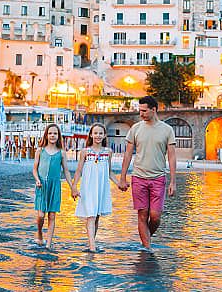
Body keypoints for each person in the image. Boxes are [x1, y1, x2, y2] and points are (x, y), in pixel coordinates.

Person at [118, 95, 177, 251]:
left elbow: (171, 156)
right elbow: (128, 154)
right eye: (140, 111)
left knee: (155, 216)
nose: (141, 114)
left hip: (158, 177)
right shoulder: (135, 129)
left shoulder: (167, 130)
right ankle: (147, 249)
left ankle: (146, 240)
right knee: (142, 214)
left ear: (153, 110)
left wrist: (173, 181)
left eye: (144, 111)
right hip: (138, 177)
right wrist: (122, 177)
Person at [71, 123, 120, 252]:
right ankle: (93, 248)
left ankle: (91, 243)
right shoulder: (85, 152)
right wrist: (74, 187)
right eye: (95, 133)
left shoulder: (108, 152)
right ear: (91, 135)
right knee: (91, 216)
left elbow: (109, 172)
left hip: (102, 188)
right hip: (88, 187)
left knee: (96, 216)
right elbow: (78, 171)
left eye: (100, 133)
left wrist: (119, 183)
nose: (98, 136)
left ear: (104, 135)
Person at [32, 123, 74, 249]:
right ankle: (39, 233)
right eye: (50, 133)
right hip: (42, 185)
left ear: (58, 136)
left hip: (55, 186)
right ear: (46, 135)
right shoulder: (40, 150)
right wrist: (37, 179)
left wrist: (72, 187)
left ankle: (48, 244)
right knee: (41, 215)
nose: (52, 135)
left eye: (55, 133)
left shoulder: (61, 153)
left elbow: (66, 170)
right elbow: (34, 169)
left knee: (52, 215)